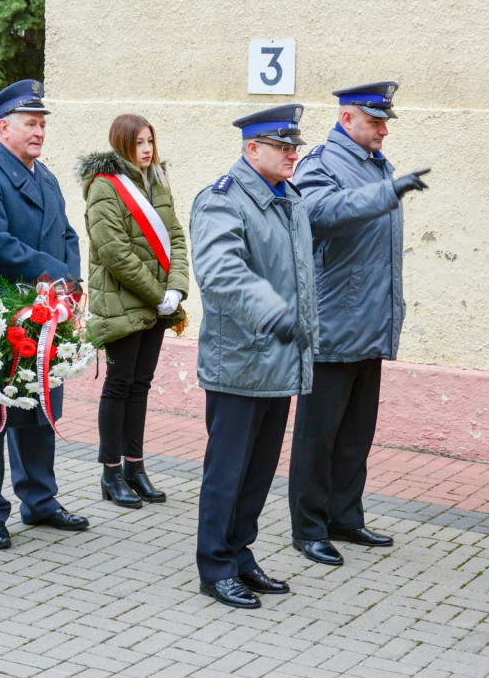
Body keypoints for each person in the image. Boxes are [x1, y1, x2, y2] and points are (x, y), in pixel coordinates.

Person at [288, 82, 430, 566]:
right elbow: (318, 215)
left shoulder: (375, 165)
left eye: (385, 121)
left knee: (355, 433)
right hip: (332, 325)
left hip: (369, 324)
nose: (384, 130)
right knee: (317, 435)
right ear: (347, 119)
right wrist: (385, 193)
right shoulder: (322, 164)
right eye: (375, 121)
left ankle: (345, 517)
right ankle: (308, 529)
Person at [189, 104, 317, 609]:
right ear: (252, 149)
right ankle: (215, 566)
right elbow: (222, 274)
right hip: (240, 360)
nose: (292, 155)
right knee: (227, 473)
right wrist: (273, 314)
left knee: (259, 470)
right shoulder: (223, 201)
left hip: (278, 359)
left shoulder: (289, 200)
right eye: (283, 147)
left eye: (294, 147)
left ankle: (241, 555)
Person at [0, 80, 88, 550]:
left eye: (42, 124)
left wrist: (69, 283)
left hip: (44, 312)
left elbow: (68, 234)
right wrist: (54, 276)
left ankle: (39, 499)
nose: (39, 132)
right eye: (30, 124)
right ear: (3, 127)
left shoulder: (43, 175)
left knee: (38, 406)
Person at [77, 114, 189, 508]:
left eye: (150, 141)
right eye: (138, 142)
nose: (146, 149)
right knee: (119, 384)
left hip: (158, 303)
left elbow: (175, 235)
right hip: (122, 302)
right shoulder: (104, 188)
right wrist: (158, 293)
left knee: (140, 385)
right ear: (121, 144)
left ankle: (135, 467)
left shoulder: (157, 180)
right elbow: (114, 252)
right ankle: (110, 472)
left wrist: (176, 288)